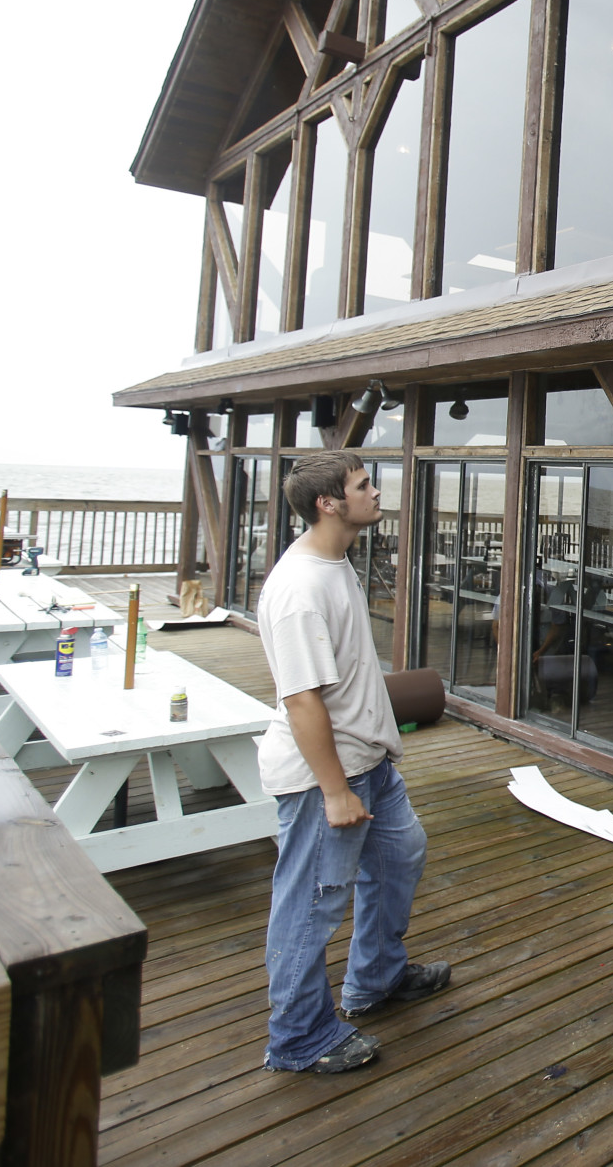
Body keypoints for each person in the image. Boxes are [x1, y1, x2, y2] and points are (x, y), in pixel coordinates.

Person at [256, 450, 449, 1073]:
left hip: (370, 765)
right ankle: (299, 1037)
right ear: (328, 503)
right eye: (363, 485)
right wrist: (336, 791)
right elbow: (302, 701)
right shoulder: (300, 589)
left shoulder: (335, 562)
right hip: (326, 778)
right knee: (312, 904)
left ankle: (376, 979)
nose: (375, 492)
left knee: (400, 856)